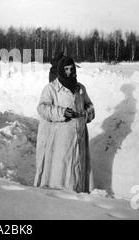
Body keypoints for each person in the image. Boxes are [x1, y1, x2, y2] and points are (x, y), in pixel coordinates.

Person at [34, 56, 95, 192]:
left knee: (77, 168)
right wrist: (62, 113)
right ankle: (58, 197)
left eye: (71, 69)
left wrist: (85, 114)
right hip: (61, 139)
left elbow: (90, 106)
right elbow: (42, 108)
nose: (69, 72)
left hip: (79, 136)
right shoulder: (52, 88)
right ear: (60, 70)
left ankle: (78, 193)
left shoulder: (80, 88)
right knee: (61, 170)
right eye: (66, 69)